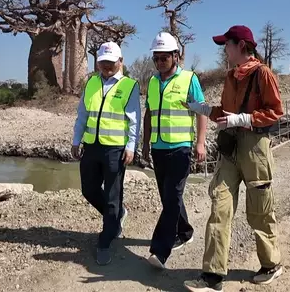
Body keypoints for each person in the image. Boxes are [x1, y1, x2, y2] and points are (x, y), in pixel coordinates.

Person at [183, 25, 284, 291]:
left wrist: (246, 119)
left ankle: (271, 264)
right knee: (220, 206)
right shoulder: (230, 76)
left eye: (226, 45)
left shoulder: (263, 74)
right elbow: (225, 112)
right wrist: (202, 108)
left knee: (260, 210)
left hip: (255, 149)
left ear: (241, 46)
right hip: (230, 149)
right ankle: (212, 276)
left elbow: (276, 111)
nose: (224, 50)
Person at [71, 41, 141, 266]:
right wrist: (76, 140)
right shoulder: (91, 82)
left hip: (115, 149)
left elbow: (134, 119)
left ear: (120, 62)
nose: (107, 66)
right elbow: (82, 113)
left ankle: (105, 240)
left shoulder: (130, 85)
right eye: (103, 62)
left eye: (111, 62)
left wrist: (131, 146)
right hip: (91, 145)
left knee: (112, 197)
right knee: (88, 189)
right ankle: (118, 216)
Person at [142, 32, 208, 269]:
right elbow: (150, 114)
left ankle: (159, 251)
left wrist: (200, 143)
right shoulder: (151, 82)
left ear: (176, 56)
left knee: (171, 200)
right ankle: (185, 231)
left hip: (181, 148)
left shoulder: (189, 79)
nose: (160, 62)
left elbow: (202, 111)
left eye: (164, 58)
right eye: (156, 58)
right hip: (158, 148)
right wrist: (144, 144)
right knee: (169, 197)